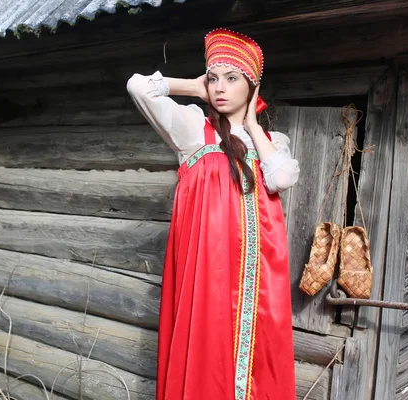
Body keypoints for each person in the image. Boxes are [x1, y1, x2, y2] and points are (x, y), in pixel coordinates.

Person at [127, 28, 300, 399]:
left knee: (259, 359)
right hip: (209, 271)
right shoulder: (193, 129)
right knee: (209, 353)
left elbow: (282, 179)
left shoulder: (274, 143)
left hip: (260, 277)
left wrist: (252, 125)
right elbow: (138, 86)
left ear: (252, 86)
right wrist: (194, 86)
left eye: (232, 78)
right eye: (214, 78)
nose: (220, 87)